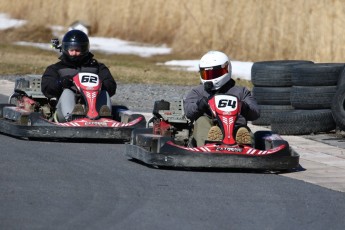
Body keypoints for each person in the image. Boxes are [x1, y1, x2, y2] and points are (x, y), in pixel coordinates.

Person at [184, 51, 260, 146]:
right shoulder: (198, 92)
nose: (210, 78)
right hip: (210, 127)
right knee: (202, 121)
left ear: (226, 69)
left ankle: (244, 145)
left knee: (242, 129)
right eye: (206, 74)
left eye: (214, 73)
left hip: (235, 127)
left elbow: (256, 113)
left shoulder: (241, 92)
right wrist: (199, 106)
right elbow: (188, 112)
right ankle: (209, 144)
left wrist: (244, 106)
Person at [41, 29, 117, 122]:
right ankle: (72, 116)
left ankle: (104, 118)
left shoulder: (97, 67)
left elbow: (111, 85)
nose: (74, 53)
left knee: (104, 93)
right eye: (71, 50)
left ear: (84, 50)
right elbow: (46, 88)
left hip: (94, 105)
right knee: (67, 92)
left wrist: (100, 85)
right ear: (65, 49)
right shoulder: (56, 68)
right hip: (64, 111)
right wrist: (61, 83)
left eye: (77, 50)